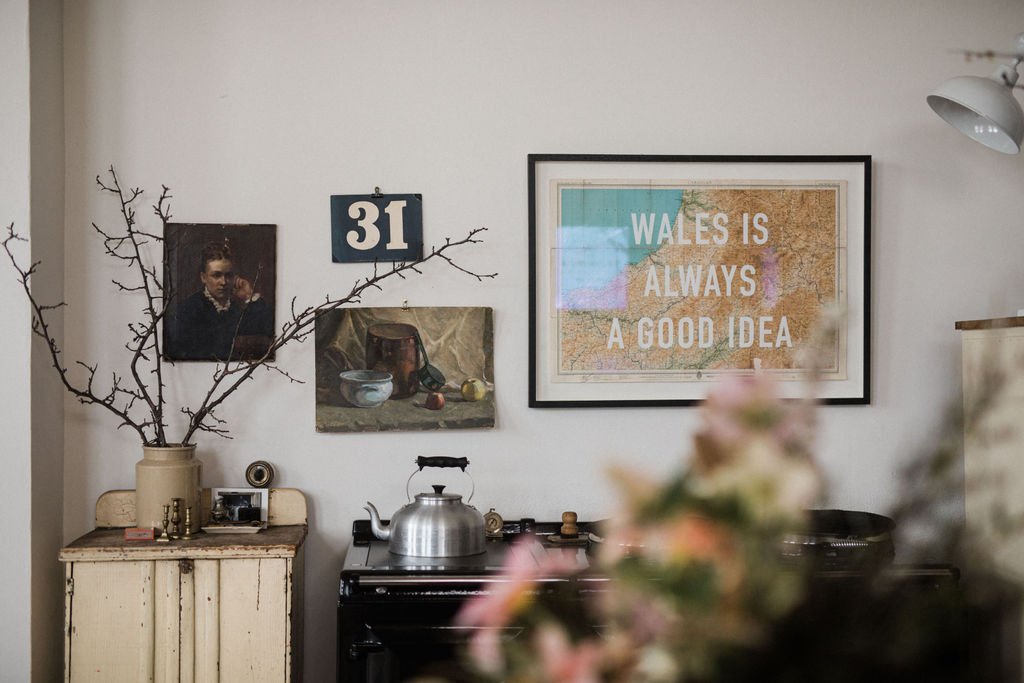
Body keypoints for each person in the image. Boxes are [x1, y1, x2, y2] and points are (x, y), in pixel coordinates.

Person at [165, 240, 274, 361]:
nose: (223, 282)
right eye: (216, 275)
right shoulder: (187, 311)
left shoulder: (238, 309)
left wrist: (249, 295)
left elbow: (270, 329)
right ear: (203, 277)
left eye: (228, 275)